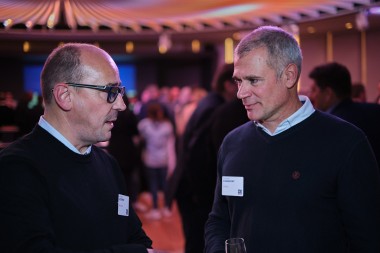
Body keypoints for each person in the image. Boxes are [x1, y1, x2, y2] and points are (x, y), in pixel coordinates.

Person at [204, 26, 380, 253]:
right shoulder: (232, 143)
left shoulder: (346, 143)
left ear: (289, 76)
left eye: (253, 80)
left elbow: (368, 239)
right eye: (239, 81)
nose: (241, 93)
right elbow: (219, 219)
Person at [0, 43, 154, 253]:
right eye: (110, 91)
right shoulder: (16, 169)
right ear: (65, 96)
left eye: (120, 91)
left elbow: (137, 237)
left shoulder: (108, 163)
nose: (121, 104)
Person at [168, 63, 237, 253]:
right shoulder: (215, 107)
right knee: (198, 243)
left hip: (190, 188)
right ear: (228, 85)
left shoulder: (210, 102)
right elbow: (195, 154)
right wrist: (205, 196)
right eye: (241, 81)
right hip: (193, 191)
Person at [309, 62, 380, 168]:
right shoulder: (375, 111)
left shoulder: (330, 127)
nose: (310, 96)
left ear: (328, 94)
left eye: (314, 90)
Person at [138, 102, 176, 220]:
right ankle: (166, 207)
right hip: (163, 160)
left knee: (153, 185)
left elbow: (140, 138)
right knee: (165, 185)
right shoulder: (168, 126)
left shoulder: (144, 125)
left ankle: (155, 208)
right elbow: (171, 146)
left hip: (150, 159)